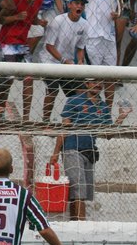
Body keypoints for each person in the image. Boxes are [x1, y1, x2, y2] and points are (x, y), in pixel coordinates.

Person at [52, 80, 130, 221]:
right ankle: (81, 224)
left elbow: (108, 134)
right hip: (72, 147)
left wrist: (121, 117)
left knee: (82, 191)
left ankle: (75, 222)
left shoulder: (103, 107)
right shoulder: (74, 101)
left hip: (89, 151)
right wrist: (56, 152)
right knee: (79, 188)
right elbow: (64, 128)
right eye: (94, 82)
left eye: (100, 83)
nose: (97, 85)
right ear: (87, 84)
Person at [69, 0, 121, 104]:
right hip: (94, 36)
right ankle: (89, 111)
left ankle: (107, 114)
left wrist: (118, 14)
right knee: (93, 78)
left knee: (111, 77)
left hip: (109, 38)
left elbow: (119, 6)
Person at [0, 0, 44, 122]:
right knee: (8, 79)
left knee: (29, 79)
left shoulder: (39, 1)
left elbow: (32, 17)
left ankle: (26, 118)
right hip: (8, 41)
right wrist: (16, 18)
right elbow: (1, 19)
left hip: (23, 43)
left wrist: (39, 22)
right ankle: (1, 113)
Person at [39, 0, 89, 123]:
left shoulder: (84, 24)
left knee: (80, 91)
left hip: (68, 63)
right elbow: (49, 46)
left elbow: (80, 48)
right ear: (70, 5)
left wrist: (81, 62)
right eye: (77, 3)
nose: (80, 6)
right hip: (49, 60)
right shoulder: (58, 21)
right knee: (53, 89)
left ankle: (75, 121)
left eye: (82, 4)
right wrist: (63, 61)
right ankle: (45, 121)